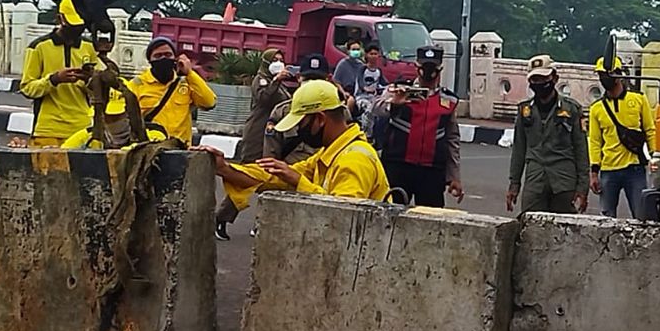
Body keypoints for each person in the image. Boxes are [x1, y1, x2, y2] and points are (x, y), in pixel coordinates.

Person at [198, 79, 389, 205]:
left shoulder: (354, 160)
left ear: (320, 119)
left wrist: (299, 182)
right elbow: (275, 176)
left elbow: (344, 214)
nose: (298, 130)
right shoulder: (329, 153)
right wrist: (225, 168)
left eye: (301, 123)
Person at [215, 53, 331, 240]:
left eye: (318, 79)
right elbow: (264, 100)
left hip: (310, 172)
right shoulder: (272, 93)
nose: (312, 84)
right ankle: (225, 217)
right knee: (253, 181)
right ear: (300, 78)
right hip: (266, 147)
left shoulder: (336, 113)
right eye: (308, 79)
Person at [373, 45, 463, 206]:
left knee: (431, 220)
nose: (428, 72)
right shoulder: (399, 89)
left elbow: (452, 139)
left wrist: (454, 176)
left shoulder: (449, 100)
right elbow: (375, 109)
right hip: (398, 166)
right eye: (424, 67)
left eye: (432, 67)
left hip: (431, 171)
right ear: (417, 67)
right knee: (391, 216)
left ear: (440, 68)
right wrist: (394, 103)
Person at [506, 55, 590, 215]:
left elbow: (581, 149)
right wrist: (514, 184)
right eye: (535, 79)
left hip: (564, 181)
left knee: (565, 229)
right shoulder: (525, 111)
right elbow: (518, 150)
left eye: (543, 78)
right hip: (535, 181)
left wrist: (582, 187)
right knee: (529, 227)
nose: (539, 83)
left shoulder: (572, 109)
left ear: (555, 78)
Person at [20, 0, 100, 147]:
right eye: (72, 24)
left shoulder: (89, 47)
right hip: (48, 129)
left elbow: (99, 91)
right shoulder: (39, 47)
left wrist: (89, 79)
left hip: (82, 126)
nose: (77, 29)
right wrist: (54, 79)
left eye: (80, 25)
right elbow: (27, 88)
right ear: (59, 19)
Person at [588, 56, 655, 219]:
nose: (604, 79)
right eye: (601, 75)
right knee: (606, 219)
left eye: (607, 74)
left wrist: (654, 157)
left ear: (618, 75)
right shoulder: (596, 109)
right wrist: (594, 172)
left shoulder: (638, 99)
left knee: (642, 217)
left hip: (635, 168)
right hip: (608, 170)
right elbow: (595, 141)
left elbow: (650, 130)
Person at [128, 36, 216, 145]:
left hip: (180, 151)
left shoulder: (187, 83)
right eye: (158, 56)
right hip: (150, 150)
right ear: (150, 60)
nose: (163, 59)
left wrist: (189, 73)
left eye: (168, 55)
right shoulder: (136, 85)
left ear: (175, 58)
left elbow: (209, 103)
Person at [237, 48, 294, 162]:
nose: (278, 63)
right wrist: (276, 81)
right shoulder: (260, 80)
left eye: (281, 60)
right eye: (274, 60)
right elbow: (263, 98)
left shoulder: (280, 85)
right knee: (252, 162)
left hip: (272, 130)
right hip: (258, 129)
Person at [61, 88, 167, 149]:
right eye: (105, 118)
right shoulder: (88, 136)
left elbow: (158, 143)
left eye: (115, 117)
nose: (110, 121)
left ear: (129, 113)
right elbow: (63, 150)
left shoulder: (154, 132)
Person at [354, 43, 388, 142]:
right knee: (369, 110)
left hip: (374, 98)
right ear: (366, 55)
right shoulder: (362, 69)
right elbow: (360, 83)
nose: (373, 56)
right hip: (361, 97)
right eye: (371, 54)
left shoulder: (379, 71)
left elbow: (384, 84)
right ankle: (366, 135)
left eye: (375, 54)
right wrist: (366, 89)